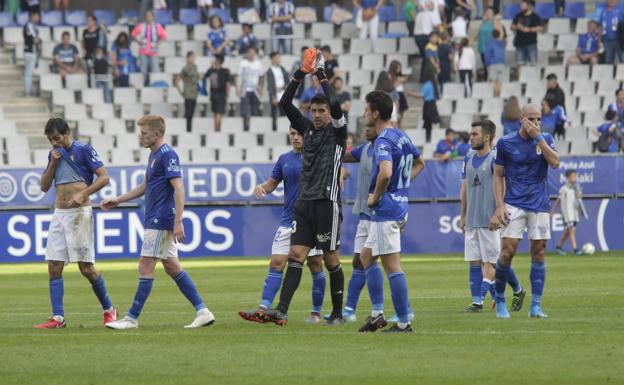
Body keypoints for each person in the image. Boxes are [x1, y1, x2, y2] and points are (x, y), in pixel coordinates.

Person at [254, 48, 347, 326]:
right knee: (296, 255)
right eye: (314, 111)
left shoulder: (338, 132)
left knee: (330, 260)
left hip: (327, 203)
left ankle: (338, 313)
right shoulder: (305, 129)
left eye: (322, 111)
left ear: (329, 113)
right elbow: (284, 103)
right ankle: (281, 311)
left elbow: (336, 104)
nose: (317, 115)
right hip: (304, 203)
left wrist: (320, 73)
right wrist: (299, 74)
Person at [102, 115, 215, 330]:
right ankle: (203, 311)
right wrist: (118, 199)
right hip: (158, 218)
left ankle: (131, 318)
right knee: (172, 267)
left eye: (144, 134)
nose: (140, 137)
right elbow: (146, 185)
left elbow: (179, 187)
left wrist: (178, 221)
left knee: (145, 266)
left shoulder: (167, 155)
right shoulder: (154, 155)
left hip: (160, 219)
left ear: (157, 134)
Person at [33, 117, 117, 329]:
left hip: (80, 213)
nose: (54, 143)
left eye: (57, 138)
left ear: (67, 133)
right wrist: (52, 163)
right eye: (51, 140)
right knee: (53, 265)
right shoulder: (53, 155)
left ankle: (109, 309)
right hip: (59, 213)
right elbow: (44, 187)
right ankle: (58, 317)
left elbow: (104, 177)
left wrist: (83, 194)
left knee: (86, 268)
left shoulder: (83, 150)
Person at [238, 128, 327, 325]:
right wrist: (262, 187)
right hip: (288, 220)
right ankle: (263, 309)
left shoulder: (318, 157)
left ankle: (316, 312)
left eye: (299, 133)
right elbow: (272, 183)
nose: (296, 137)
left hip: (311, 221)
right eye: (293, 133)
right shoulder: (284, 159)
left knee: (315, 264)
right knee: (277, 262)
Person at [357, 90, 424, 333]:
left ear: (375, 113)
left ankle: (405, 322)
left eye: (366, 109)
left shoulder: (384, 139)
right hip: (396, 206)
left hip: (387, 211)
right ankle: (377, 315)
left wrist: (377, 195)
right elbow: (420, 163)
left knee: (392, 266)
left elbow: (385, 173)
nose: (364, 114)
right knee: (366, 257)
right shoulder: (401, 136)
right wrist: (401, 188)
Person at [490, 103, 560, 319]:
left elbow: (556, 163)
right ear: (521, 119)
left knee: (539, 252)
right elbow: (498, 175)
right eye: (531, 119)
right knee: (506, 252)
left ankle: (536, 306)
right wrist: (500, 205)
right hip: (514, 203)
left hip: (539, 204)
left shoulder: (545, 139)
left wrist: (539, 138)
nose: (536, 123)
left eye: (538, 119)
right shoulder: (506, 142)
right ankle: (500, 301)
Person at [460, 120, 525, 313]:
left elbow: (502, 186)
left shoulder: (496, 158)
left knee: (492, 262)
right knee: (475, 261)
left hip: (490, 219)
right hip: (472, 218)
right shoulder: (468, 157)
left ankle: (478, 302)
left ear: (487, 137)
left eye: (474, 134)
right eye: (470, 134)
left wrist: (499, 211)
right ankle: (517, 290)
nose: (470, 138)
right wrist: (462, 214)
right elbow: (463, 188)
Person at [551, 170, 583, 256]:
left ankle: (559, 246)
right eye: (573, 176)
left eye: (575, 176)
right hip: (567, 214)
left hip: (574, 213)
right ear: (568, 178)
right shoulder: (563, 189)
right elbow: (558, 200)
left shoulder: (576, 188)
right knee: (571, 230)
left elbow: (578, 200)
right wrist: (552, 211)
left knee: (568, 231)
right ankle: (576, 249)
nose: (574, 178)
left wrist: (578, 195)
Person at [131, 10, 167, 86]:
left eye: (150, 16)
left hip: (153, 51)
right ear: (145, 17)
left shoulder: (157, 26)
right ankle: (143, 86)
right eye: (147, 16)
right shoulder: (141, 26)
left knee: (154, 70)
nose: (148, 18)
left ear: (153, 17)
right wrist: (139, 42)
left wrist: (157, 43)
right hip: (143, 51)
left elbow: (164, 36)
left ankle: (154, 85)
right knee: (143, 70)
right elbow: (133, 34)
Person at [511, 0, 543, 79]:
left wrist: (529, 29)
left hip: (531, 44)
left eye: (523, 5)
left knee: (533, 64)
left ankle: (533, 82)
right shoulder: (518, 15)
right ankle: (520, 82)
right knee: (519, 64)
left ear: (528, 6)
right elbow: (512, 26)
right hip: (519, 43)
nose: (521, 7)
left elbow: (541, 28)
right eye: (521, 5)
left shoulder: (535, 16)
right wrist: (517, 27)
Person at [237, 47, 264, 131]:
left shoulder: (258, 64)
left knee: (255, 110)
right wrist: (238, 88)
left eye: (253, 52)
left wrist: (261, 88)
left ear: (255, 54)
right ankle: (245, 127)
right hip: (245, 90)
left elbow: (261, 77)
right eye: (250, 52)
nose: (251, 54)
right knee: (245, 110)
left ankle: (254, 129)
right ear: (247, 53)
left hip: (255, 90)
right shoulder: (242, 63)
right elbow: (238, 76)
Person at [203, 54, 230, 132]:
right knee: (217, 113)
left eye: (215, 59)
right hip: (217, 95)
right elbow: (204, 77)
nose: (214, 61)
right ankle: (217, 130)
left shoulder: (224, 71)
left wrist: (227, 96)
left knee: (218, 113)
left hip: (220, 95)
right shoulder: (216, 71)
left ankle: (217, 130)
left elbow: (227, 85)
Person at [175, 51, 200, 133]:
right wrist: (181, 92)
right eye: (192, 57)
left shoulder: (195, 67)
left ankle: (189, 130)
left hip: (194, 93)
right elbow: (177, 80)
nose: (193, 59)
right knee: (188, 113)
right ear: (188, 58)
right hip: (188, 93)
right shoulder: (185, 68)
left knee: (191, 113)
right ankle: (187, 130)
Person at [81, 14, 108, 87]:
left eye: (90, 20)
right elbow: (83, 41)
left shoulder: (99, 30)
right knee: (87, 67)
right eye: (87, 21)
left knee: (100, 65)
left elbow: (103, 41)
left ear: (94, 22)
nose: (88, 22)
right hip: (88, 55)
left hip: (97, 54)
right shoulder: (85, 31)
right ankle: (90, 86)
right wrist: (83, 49)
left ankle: (99, 85)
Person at [267, 52, 289, 131]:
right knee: (274, 114)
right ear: (272, 59)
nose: (279, 60)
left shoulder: (282, 69)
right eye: (277, 58)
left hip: (283, 95)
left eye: (279, 58)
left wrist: (283, 87)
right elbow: (270, 85)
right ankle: (274, 130)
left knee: (284, 114)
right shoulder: (270, 70)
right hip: (275, 96)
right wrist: (273, 96)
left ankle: (284, 129)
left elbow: (287, 81)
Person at [23, 10, 41, 97]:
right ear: (33, 16)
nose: (38, 18)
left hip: (30, 51)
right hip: (30, 51)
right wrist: (39, 40)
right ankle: (28, 91)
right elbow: (35, 40)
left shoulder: (32, 26)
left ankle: (29, 90)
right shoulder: (29, 25)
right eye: (37, 16)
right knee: (28, 74)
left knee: (29, 73)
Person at [600, 0, 624, 64]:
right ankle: (609, 73)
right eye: (609, 0)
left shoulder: (620, 11)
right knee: (608, 60)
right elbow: (601, 26)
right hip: (607, 40)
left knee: (622, 58)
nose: (611, 1)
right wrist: (599, 41)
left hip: (619, 40)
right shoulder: (603, 11)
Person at [420, 67, 439, 143]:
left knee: (427, 123)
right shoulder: (433, 84)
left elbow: (422, 95)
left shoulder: (426, 85)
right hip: (433, 104)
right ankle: (430, 138)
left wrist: (410, 94)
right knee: (431, 122)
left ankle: (428, 139)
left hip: (428, 105)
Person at [484, 29, 505, 97]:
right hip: (501, 63)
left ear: (491, 35)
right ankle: (499, 98)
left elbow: (487, 54)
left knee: (493, 81)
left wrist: (487, 63)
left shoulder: (489, 43)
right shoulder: (501, 43)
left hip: (493, 63)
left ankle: (495, 98)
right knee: (499, 82)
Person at [477, 7, 495, 80]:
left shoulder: (494, 22)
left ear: (493, 14)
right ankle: (486, 80)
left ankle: (491, 81)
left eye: (489, 13)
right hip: (482, 47)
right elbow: (479, 32)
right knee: (485, 66)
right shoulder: (483, 22)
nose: (488, 14)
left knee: (490, 66)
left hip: (490, 48)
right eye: (486, 12)